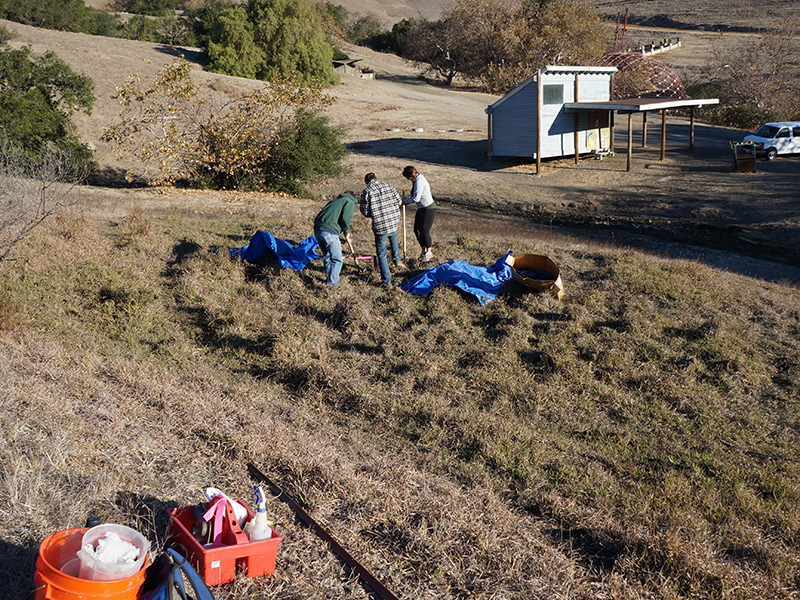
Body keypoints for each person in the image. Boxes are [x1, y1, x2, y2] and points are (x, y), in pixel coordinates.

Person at [359, 172, 403, 285]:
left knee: (381, 253)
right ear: (376, 179)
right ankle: (397, 260)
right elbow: (399, 201)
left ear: (366, 182)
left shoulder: (366, 191)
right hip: (393, 221)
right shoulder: (389, 185)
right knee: (393, 237)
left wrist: (373, 214)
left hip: (380, 225)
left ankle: (386, 279)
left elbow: (364, 211)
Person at [313, 191, 357, 286]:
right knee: (337, 260)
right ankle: (332, 284)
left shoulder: (335, 201)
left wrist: (341, 239)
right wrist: (346, 232)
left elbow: (329, 222)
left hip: (318, 229)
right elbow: (345, 219)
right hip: (329, 232)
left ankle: (329, 277)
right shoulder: (349, 201)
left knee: (327, 255)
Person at [402, 165, 436, 262]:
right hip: (421, 208)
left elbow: (416, 198)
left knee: (424, 230)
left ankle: (429, 252)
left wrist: (406, 201)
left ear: (410, 176)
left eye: (408, 178)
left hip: (429, 208)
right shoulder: (416, 180)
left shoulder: (419, 181)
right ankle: (423, 250)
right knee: (416, 229)